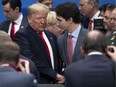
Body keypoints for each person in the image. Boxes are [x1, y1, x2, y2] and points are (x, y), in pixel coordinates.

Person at [14, 3, 64, 84]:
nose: (43, 22)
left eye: (44, 18)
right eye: (39, 18)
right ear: (29, 19)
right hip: (39, 82)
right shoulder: (22, 35)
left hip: (56, 82)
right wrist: (54, 75)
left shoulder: (50, 35)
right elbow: (31, 59)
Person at [55, 2, 88, 67]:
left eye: (60, 20)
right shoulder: (60, 40)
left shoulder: (90, 37)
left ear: (70, 20)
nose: (57, 24)